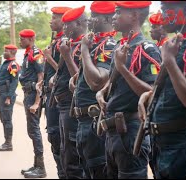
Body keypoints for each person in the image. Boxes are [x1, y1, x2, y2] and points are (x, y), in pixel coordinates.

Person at [96, 1, 162, 178]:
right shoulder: (119, 46)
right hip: (112, 131)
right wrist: (101, 92)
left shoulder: (146, 48)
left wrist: (123, 69)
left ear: (134, 16)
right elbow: (113, 83)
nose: (114, 17)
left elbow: (153, 93)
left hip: (130, 131)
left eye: (118, 12)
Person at [138, 1, 186, 179]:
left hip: (182, 147)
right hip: (163, 145)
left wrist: (169, 60)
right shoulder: (178, 43)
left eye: (166, 9)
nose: (162, 16)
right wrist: (148, 96)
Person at [69, 1, 116, 178]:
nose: (90, 20)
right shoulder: (95, 45)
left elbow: (97, 81)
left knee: (98, 171)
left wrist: (84, 51)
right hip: (84, 121)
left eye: (94, 16)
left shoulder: (109, 46)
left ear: (105, 18)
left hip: (95, 121)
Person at [37, 6, 71, 179]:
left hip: (61, 99)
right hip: (50, 97)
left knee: (61, 141)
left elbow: (67, 73)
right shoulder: (55, 41)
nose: (51, 21)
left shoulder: (66, 42)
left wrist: (49, 58)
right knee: (54, 138)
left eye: (55, 18)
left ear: (64, 21)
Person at [53, 6, 86, 179]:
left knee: (73, 159)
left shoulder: (83, 47)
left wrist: (66, 56)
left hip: (73, 105)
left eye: (68, 25)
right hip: (63, 105)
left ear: (79, 23)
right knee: (64, 153)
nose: (64, 29)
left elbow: (81, 80)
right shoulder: (71, 45)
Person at [18, 29, 46, 178]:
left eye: (22, 39)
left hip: (33, 95)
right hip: (28, 93)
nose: (20, 41)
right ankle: (36, 164)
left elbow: (41, 77)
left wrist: (37, 102)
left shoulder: (36, 53)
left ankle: (41, 168)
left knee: (34, 131)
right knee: (31, 130)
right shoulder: (28, 52)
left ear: (31, 39)